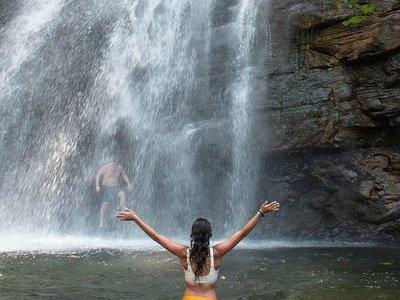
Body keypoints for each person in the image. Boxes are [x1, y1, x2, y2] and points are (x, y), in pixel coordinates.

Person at [117, 200, 280, 300]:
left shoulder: (183, 253)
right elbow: (242, 233)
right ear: (210, 234)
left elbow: (157, 237)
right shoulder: (217, 253)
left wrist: (136, 218)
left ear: (192, 235)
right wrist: (260, 212)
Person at [96, 163, 132, 228]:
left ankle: (123, 214)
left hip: (115, 187)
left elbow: (124, 175)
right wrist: (97, 185)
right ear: (111, 165)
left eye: (116, 167)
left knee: (122, 194)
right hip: (107, 187)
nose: (114, 169)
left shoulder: (120, 168)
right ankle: (101, 222)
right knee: (104, 205)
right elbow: (98, 174)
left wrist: (128, 183)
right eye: (113, 167)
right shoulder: (106, 167)